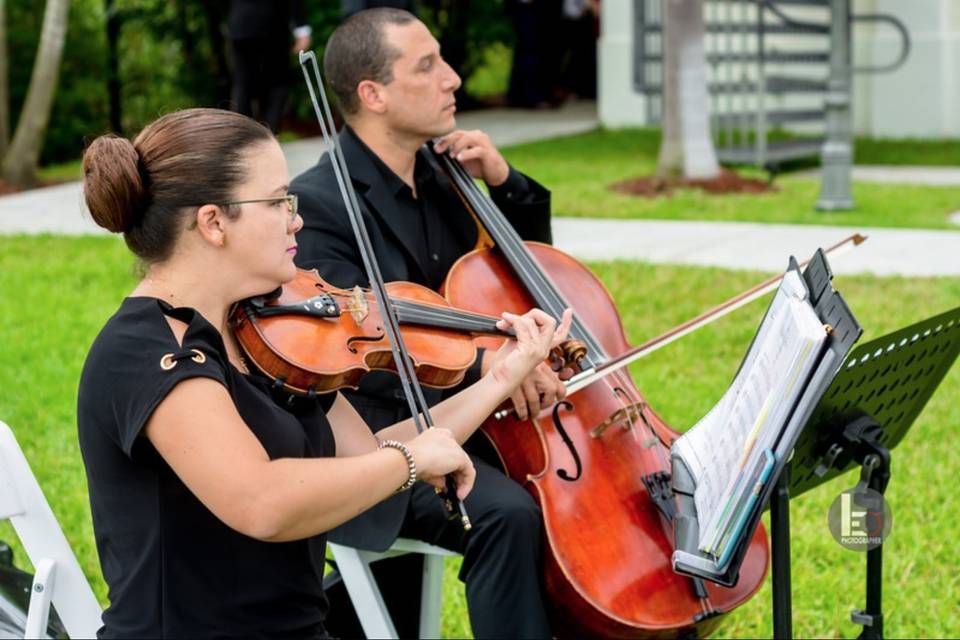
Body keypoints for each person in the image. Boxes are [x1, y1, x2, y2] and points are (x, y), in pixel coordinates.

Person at [76, 107, 570, 638]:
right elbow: (262, 502)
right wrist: (410, 461)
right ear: (213, 222)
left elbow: (368, 455)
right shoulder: (147, 351)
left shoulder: (263, 333)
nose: (298, 219)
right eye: (276, 202)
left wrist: (501, 377)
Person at [290, 8, 567, 638]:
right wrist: (484, 365)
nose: (455, 78)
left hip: (478, 424)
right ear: (373, 95)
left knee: (570, 501)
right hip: (383, 445)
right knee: (507, 515)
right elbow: (351, 350)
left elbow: (529, 283)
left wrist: (505, 183)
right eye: (429, 66)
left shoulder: (445, 178)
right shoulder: (321, 206)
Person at [228, 0, 312, 133]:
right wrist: (302, 28)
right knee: (278, 82)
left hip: (241, 24)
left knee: (244, 84)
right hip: (272, 23)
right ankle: (270, 134)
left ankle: (242, 137)